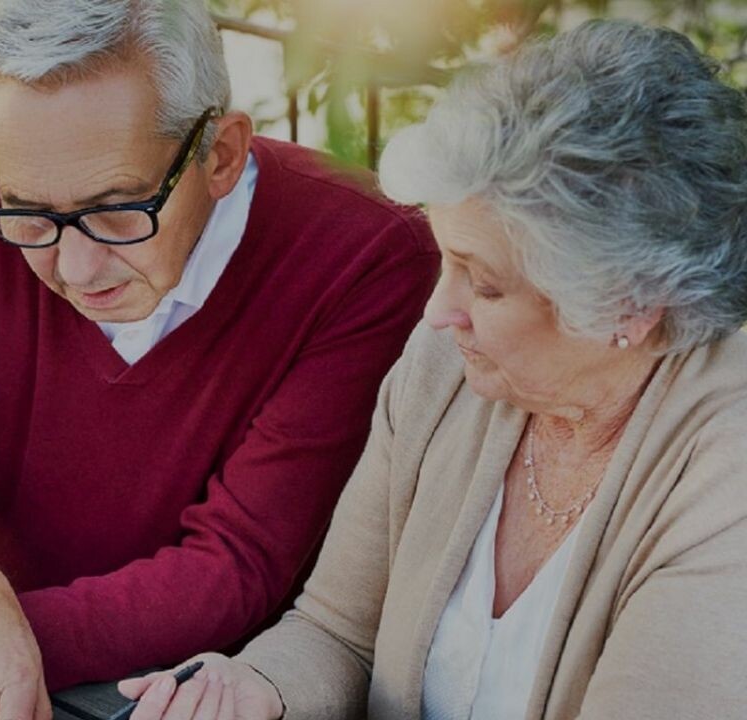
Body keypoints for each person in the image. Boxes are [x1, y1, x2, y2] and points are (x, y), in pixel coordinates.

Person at [0, 1, 439, 718]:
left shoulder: (367, 255)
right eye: (29, 213)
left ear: (222, 155)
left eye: (118, 209)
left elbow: (235, 568)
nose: (75, 269)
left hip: (194, 697)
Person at [118, 19, 747, 720]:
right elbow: (336, 629)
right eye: (446, 258)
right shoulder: (449, 368)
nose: (439, 309)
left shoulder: (726, 465)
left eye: (485, 284)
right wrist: (251, 690)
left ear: (629, 306)